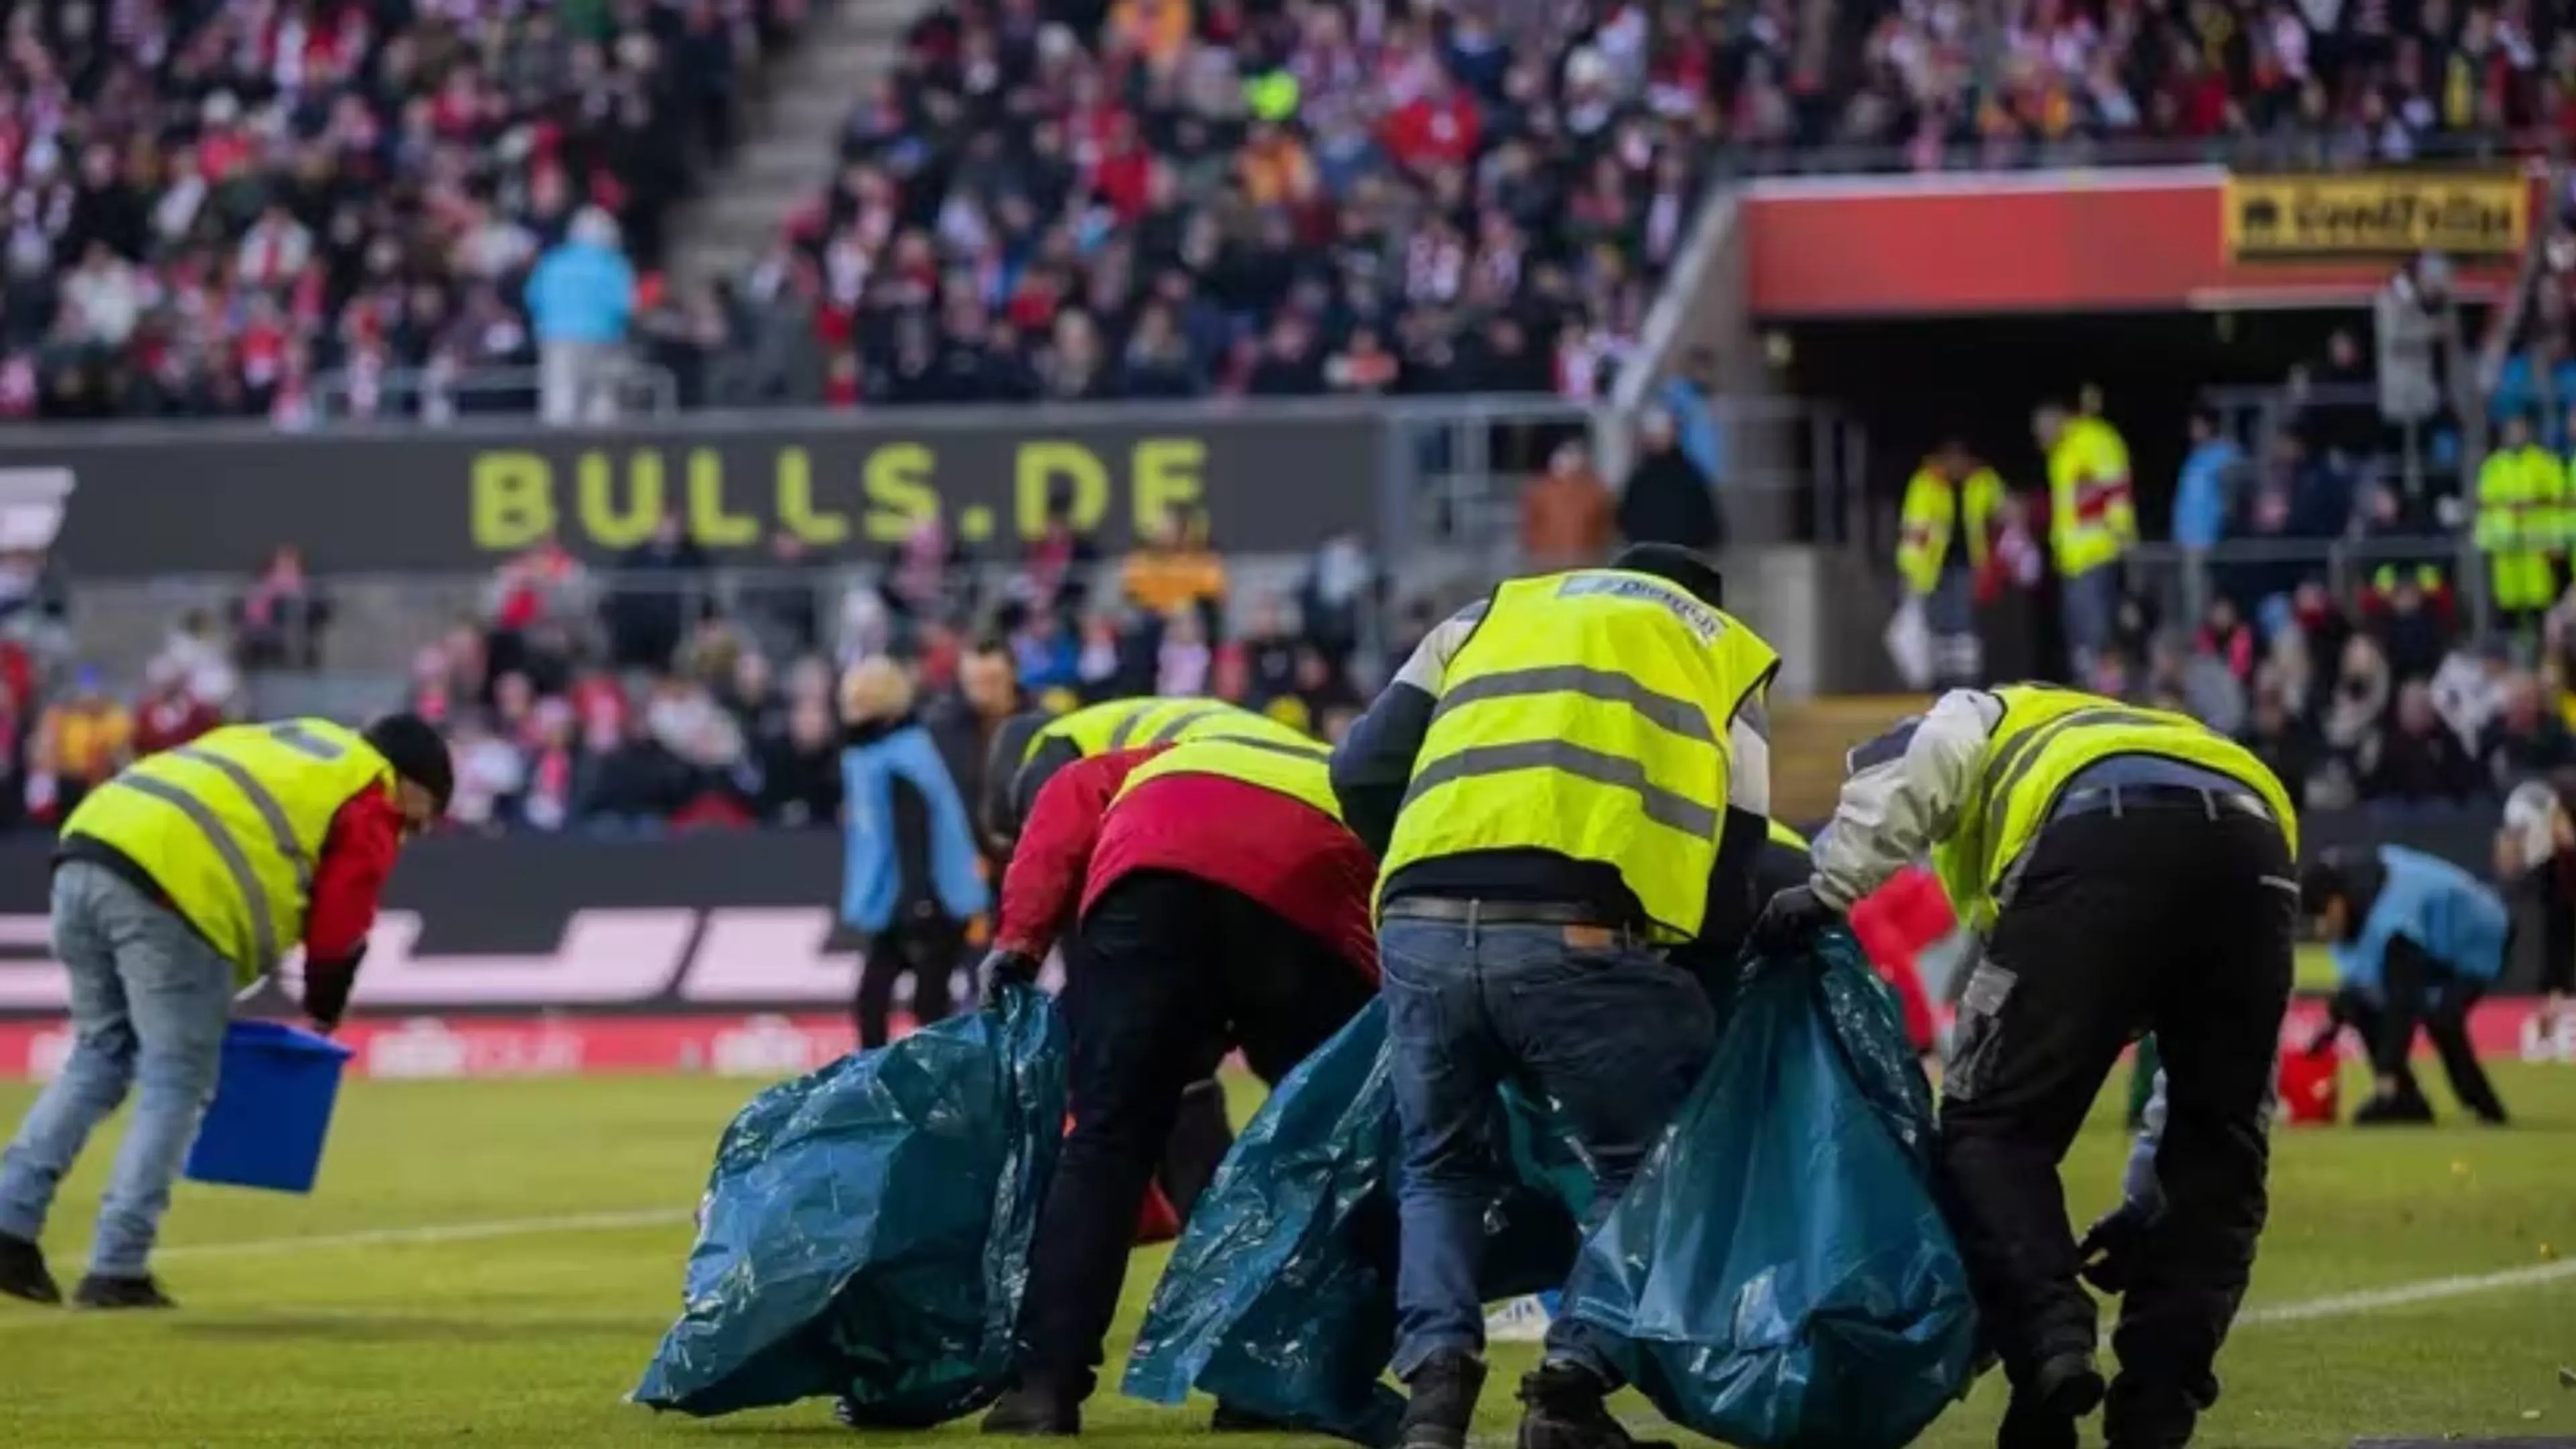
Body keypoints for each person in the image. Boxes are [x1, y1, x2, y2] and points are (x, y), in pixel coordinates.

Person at [1757, 684, 2297, 1449]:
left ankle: (2050, 1340)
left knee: (1989, 1129)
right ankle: (2157, 1407)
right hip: (2259, 849)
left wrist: (1829, 885)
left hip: (2094, 839)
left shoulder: (1991, 708)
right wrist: (2149, 1203)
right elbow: (2218, 1100)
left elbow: (1924, 758)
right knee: (2219, 1152)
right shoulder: (2170, 739)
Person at [1328, 543, 1780, 1449]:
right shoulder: (1721, 646)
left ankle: (1434, 1395)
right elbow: (1741, 845)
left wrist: (1430, 879)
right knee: (1644, 1169)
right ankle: (1568, 1390)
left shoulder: (1488, 612)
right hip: (1581, 929)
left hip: (1418, 920)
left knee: (1440, 1166)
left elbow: (1358, 768)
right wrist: (1696, 980)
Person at [973, 730, 1379, 1436]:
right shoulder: (1346, 772)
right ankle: (1268, 1381)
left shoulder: (1169, 752)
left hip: (1153, 872)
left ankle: (1043, 1389)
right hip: (1302, 886)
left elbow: (1071, 797)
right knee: (1317, 1143)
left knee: (1108, 1140)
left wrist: (1021, 938)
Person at [0, 714, 453, 1309]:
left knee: (99, 1057)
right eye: (425, 814)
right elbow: (343, 913)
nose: (416, 830)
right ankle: (118, 1265)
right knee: (176, 1080)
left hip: (87, 850)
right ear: (413, 782)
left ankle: (9, 1223)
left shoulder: (294, 740)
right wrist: (324, 1006)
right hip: (174, 889)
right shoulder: (371, 789)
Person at [839, 659, 988, 1049]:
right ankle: (912, 1082)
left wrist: (918, 901)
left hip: (927, 897)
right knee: (906, 1000)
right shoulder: (903, 752)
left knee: (916, 1001)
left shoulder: (895, 760)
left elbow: (914, 833)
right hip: (917, 895)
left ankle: (911, 1083)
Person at [2302, 845, 2510, 1125]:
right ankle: (2407, 1100)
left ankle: (2485, 1107)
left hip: (2477, 939)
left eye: (2321, 915)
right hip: (2434, 942)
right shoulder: (2361, 905)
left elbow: (2403, 1004)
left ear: (2338, 903)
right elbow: (2357, 990)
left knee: (2442, 1017)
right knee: (2360, 1004)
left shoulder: (2394, 924)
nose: (2320, 929)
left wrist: (2387, 1073)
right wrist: (2320, 1041)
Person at [2035, 401, 2137, 681]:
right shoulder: (2063, 450)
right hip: (2074, 559)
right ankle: (2088, 689)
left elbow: (2115, 488)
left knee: (2099, 632)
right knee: (2079, 633)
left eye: (2041, 431)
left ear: (2057, 420)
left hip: (2097, 552)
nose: (2040, 440)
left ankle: (2111, 692)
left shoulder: (2094, 440)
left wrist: (2121, 532)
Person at [1898, 441, 2006, 688]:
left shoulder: (1984, 480)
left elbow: (2002, 512)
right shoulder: (1925, 483)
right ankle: (1942, 682)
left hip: (1969, 565)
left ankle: (1967, 682)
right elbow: (1914, 529)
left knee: (1965, 626)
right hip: (1932, 569)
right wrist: (1910, 571)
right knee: (1939, 628)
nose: (1957, 464)